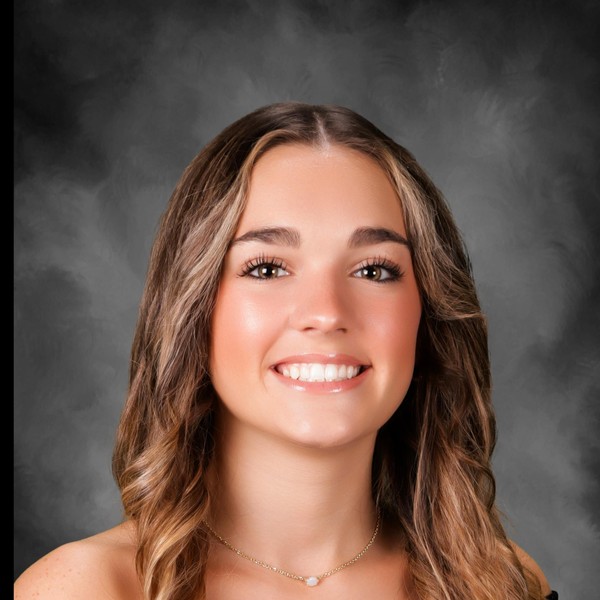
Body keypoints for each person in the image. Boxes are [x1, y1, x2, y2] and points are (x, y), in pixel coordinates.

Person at [14, 102, 557, 600]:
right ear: (193, 308)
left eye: (374, 270)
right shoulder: (85, 588)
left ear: (427, 313)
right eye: (268, 269)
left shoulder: (502, 584)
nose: (326, 312)